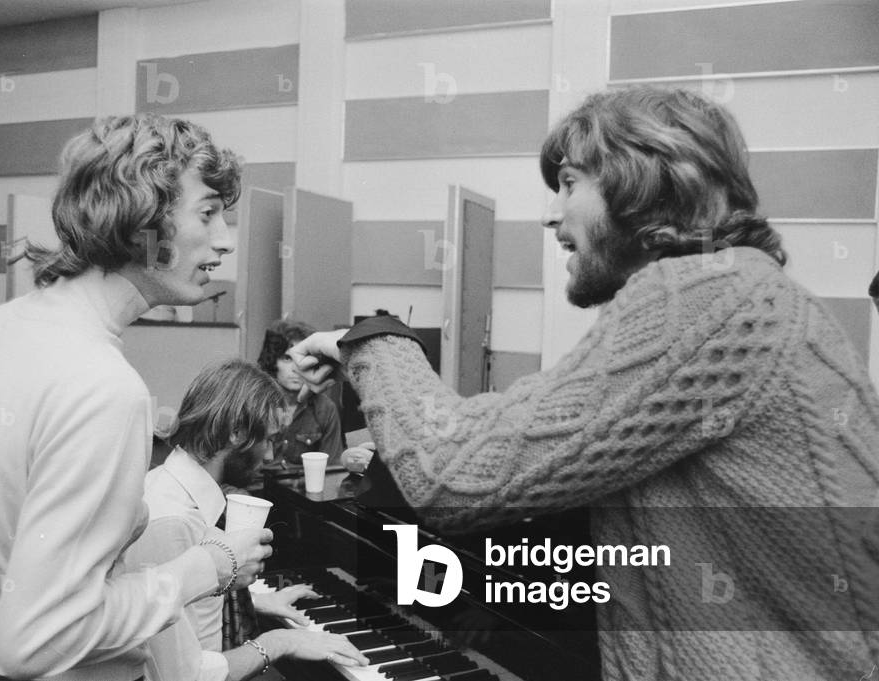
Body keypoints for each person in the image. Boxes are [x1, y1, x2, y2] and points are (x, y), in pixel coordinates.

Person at [289, 87, 879, 680]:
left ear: (644, 187)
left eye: (569, 183)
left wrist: (373, 339)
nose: (551, 214)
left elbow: (452, 473)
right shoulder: (745, 292)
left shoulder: (711, 296)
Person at [0, 114, 273, 681]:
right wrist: (208, 565)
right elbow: (40, 640)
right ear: (140, 223)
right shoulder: (104, 386)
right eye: (207, 213)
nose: (225, 239)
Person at [121, 359, 368, 681]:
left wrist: (256, 602)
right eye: (268, 440)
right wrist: (280, 641)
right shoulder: (173, 522)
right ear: (236, 433)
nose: (269, 456)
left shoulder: (172, 489)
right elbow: (184, 675)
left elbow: (180, 611)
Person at [256, 319, 344, 466]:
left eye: (303, 358)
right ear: (272, 361)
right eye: (287, 358)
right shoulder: (255, 405)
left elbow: (332, 468)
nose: (295, 368)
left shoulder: (325, 409)